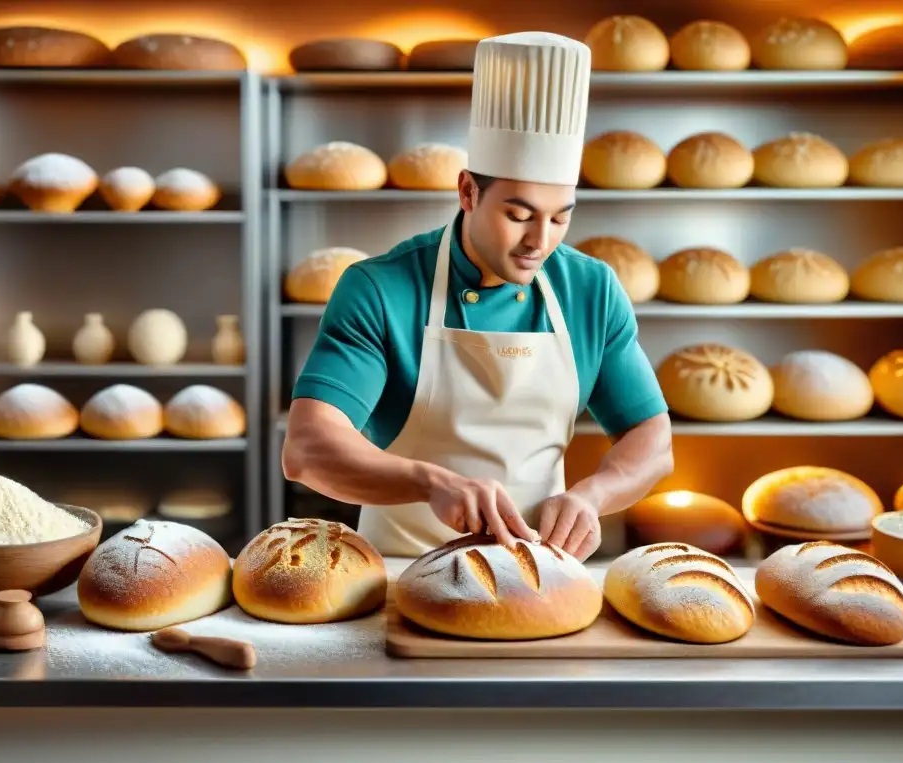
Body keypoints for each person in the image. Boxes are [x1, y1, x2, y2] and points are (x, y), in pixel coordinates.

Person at [282, 31, 674, 561]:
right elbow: (307, 449)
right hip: (398, 575)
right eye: (518, 215)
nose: (540, 242)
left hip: (538, 574)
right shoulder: (381, 288)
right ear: (467, 191)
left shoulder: (591, 289)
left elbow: (651, 438)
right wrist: (429, 483)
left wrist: (593, 496)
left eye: (560, 217)